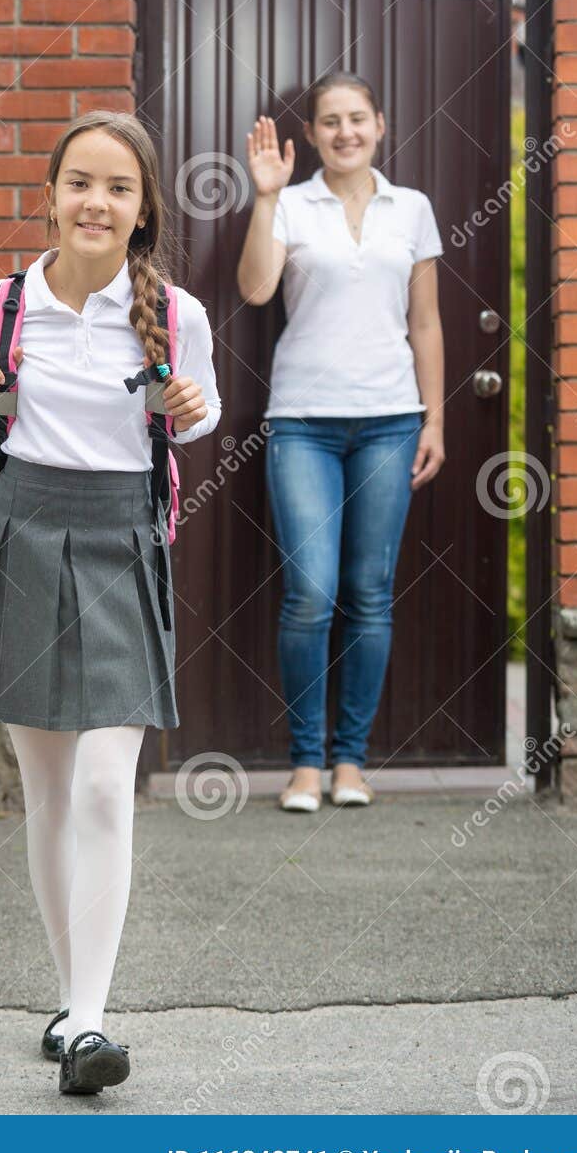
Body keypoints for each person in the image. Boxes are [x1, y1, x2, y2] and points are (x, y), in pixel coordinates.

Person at [0, 109, 221, 1096]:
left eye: (119, 187)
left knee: (102, 785)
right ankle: (70, 1002)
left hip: (118, 543)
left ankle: (89, 1021)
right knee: (46, 792)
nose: (96, 200)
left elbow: (202, 407)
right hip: (20, 536)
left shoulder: (174, 313)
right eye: (80, 182)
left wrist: (189, 407)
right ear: (50, 196)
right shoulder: (3, 304)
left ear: (141, 213)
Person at [237, 73, 445, 812]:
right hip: (303, 421)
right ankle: (303, 763)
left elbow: (424, 322)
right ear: (313, 133)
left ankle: (349, 761)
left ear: (379, 125)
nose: (344, 132)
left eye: (356, 119)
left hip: (390, 419)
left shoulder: (411, 209)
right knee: (309, 593)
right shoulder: (290, 204)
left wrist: (434, 420)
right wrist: (264, 196)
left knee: (368, 593)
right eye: (330, 121)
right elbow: (256, 290)